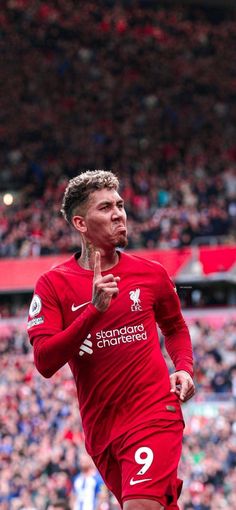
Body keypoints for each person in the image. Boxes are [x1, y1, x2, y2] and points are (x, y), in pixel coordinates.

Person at [27, 169, 195, 510]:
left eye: (119, 205)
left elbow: (175, 327)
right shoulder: (53, 284)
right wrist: (93, 312)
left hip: (154, 413)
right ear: (80, 223)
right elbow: (45, 362)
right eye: (105, 208)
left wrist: (185, 367)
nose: (119, 213)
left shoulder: (151, 274)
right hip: (103, 431)